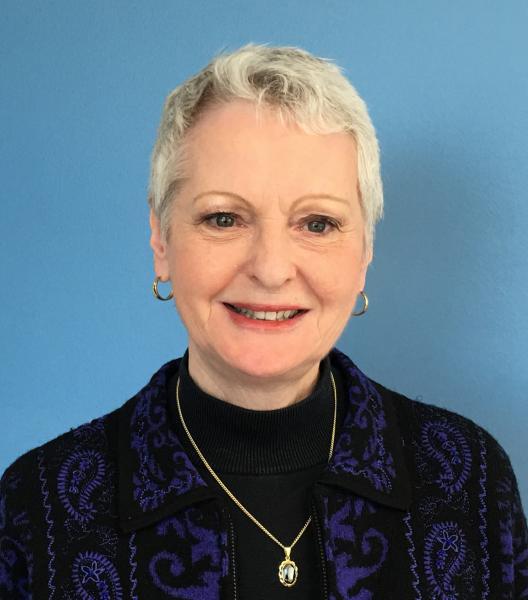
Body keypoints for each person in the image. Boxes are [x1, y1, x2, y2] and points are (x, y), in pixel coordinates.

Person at [0, 44, 526, 600]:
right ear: (161, 239)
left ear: (365, 251)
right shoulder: (40, 507)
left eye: (318, 224)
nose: (272, 270)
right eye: (224, 218)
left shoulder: (469, 479)